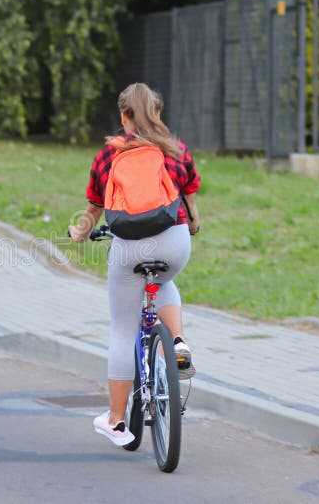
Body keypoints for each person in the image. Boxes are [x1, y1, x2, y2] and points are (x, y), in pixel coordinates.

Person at [68, 82, 201, 446]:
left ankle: (115, 420)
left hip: (128, 249)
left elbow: (94, 208)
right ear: (158, 113)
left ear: (123, 117)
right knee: (164, 279)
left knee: (123, 331)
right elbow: (190, 195)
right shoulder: (176, 150)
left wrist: (79, 232)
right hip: (174, 243)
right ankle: (176, 342)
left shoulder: (108, 157)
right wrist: (193, 222)